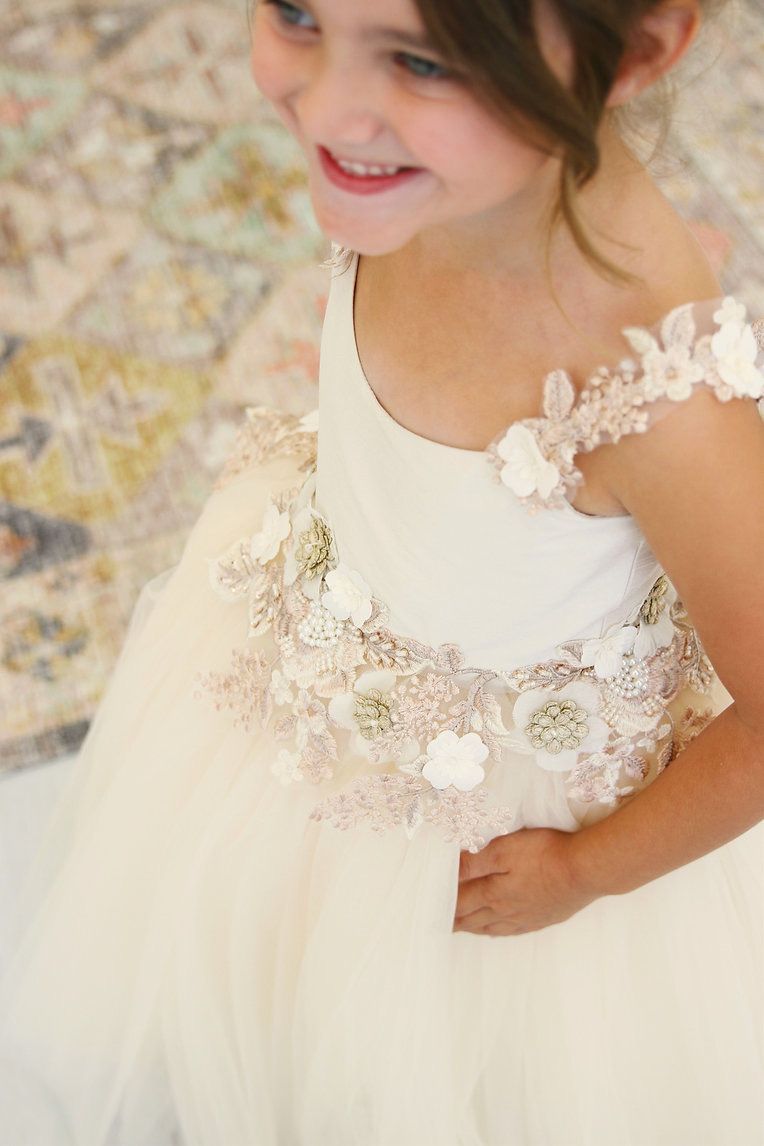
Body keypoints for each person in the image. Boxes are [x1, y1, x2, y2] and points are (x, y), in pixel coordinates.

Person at [1, 0, 763, 1143]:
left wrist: (587, 871)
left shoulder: (652, 389)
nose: (323, 105)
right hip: (306, 671)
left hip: (492, 830)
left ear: (638, 50)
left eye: (417, 58)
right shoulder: (413, 173)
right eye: (298, 14)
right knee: (269, 999)